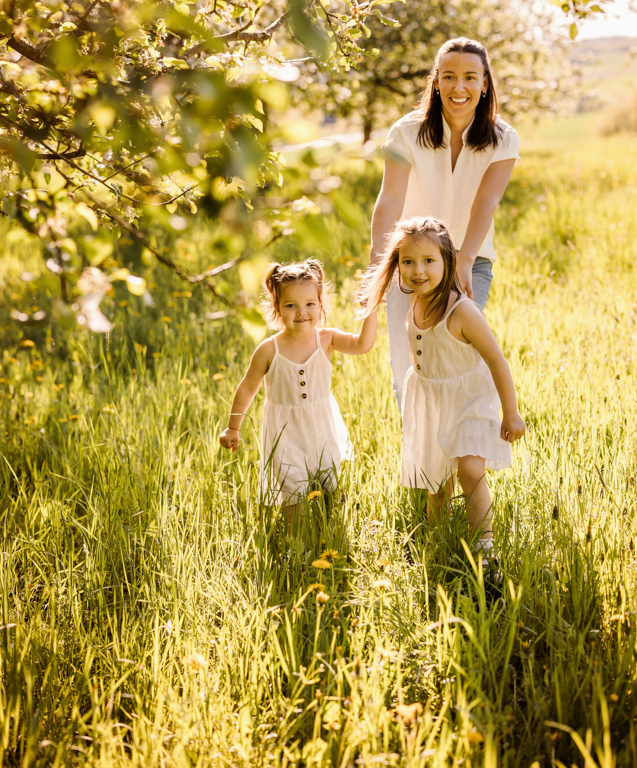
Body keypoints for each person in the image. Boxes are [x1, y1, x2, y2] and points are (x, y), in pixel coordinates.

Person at [360, 217, 525, 562]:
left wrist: (510, 412)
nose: (418, 270)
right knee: (435, 482)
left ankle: (484, 551)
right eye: (408, 262)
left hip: (469, 400)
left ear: (447, 261)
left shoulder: (462, 311)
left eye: (428, 261)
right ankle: (439, 543)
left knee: (469, 470)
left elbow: (496, 360)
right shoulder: (413, 304)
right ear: (398, 265)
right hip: (430, 401)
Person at [370, 37, 520, 408]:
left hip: (470, 260)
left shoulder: (504, 138)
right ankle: (420, 463)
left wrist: (464, 262)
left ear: (485, 84)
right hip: (411, 262)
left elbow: (487, 202)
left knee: (455, 360)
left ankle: (461, 457)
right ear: (436, 81)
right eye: (449, 76)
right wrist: (378, 265)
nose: (459, 87)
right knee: (409, 366)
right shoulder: (404, 132)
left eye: (471, 77)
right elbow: (390, 199)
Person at [219, 259, 379, 525]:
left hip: (321, 425)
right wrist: (233, 428)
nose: (301, 312)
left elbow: (362, 345)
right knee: (292, 491)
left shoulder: (326, 339)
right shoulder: (269, 349)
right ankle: (298, 549)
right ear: (277, 308)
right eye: (291, 305)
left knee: (329, 484)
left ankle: (331, 533)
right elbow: (248, 386)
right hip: (285, 431)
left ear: (320, 304)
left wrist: (370, 310)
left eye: (310, 304)